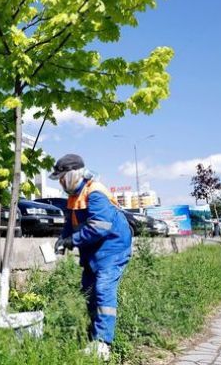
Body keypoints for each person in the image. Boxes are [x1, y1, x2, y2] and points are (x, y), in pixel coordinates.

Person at [51, 154, 132, 361]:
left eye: (61, 177)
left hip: (112, 248)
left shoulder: (95, 192)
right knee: (89, 290)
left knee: (103, 289)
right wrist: (63, 240)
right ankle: (94, 333)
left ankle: (103, 344)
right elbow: (70, 224)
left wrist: (72, 241)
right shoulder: (73, 197)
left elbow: (99, 227)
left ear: (72, 175)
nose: (60, 182)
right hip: (94, 250)